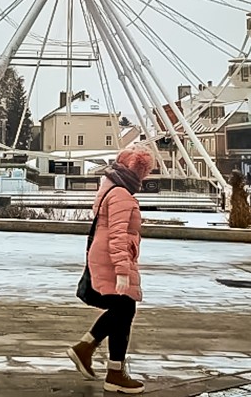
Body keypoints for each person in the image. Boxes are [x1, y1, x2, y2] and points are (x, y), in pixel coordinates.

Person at [67, 145, 154, 393]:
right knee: (124, 308)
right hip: (110, 258)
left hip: (105, 255)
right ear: (138, 173)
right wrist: (123, 270)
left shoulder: (111, 189)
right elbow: (117, 235)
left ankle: (92, 353)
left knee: (122, 309)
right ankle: (110, 368)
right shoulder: (121, 196)